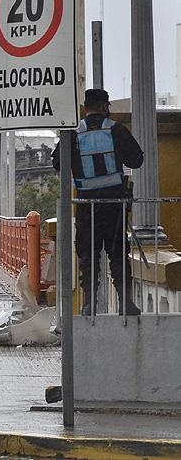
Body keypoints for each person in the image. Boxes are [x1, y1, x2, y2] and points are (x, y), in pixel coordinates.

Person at [52, 88, 144, 316]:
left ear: (85, 108)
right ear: (105, 107)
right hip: (114, 205)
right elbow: (137, 159)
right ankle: (125, 304)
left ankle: (88, 305)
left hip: (86, 206)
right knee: (118, 255)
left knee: (88, 257)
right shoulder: (116, 130)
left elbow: (57, 164)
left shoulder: (73, 134)